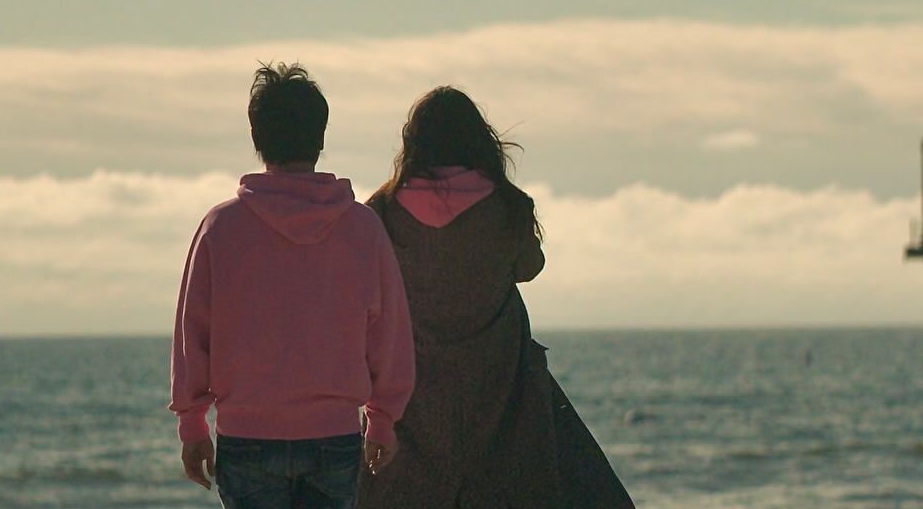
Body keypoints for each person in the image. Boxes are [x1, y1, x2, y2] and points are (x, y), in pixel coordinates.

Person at [359, 88, 634, 509]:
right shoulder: (508, 205)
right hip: (501, 386)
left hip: (412, 390)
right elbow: (529, 267)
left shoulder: (383, 210)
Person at [171, 62, 416, 509]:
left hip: (246, 436)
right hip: (334, 437)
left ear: (257, 138)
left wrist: (193, 425)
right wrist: (382, 421)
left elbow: (194, 334)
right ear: (320, 138)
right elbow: (390, 333)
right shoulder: (362, 227)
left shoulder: (221, 227)